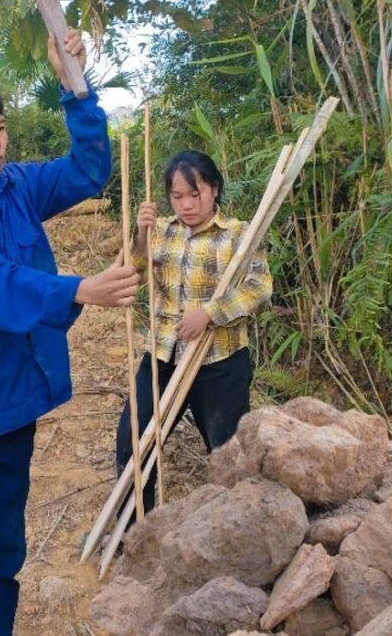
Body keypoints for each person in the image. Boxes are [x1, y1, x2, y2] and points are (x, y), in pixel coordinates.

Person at [0, 29, 139, 636]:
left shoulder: (17, 187)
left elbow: (88, 170)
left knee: (4, 552)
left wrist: (76, 87)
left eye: (0, 127)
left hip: (15, 402)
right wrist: (79, 289)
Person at [116, 150, 272, 513]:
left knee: (228, 452)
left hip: (219, 361)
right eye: (177, 196)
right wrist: (140, 236)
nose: (186, 204)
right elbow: (132, 276)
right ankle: (135, 529)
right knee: (134, 442)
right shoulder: (162, 231)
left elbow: (259, 288)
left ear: (214, 189)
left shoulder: (238, 234)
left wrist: (209, 314)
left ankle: (236, 525)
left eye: (195, 193)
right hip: (164, 354)